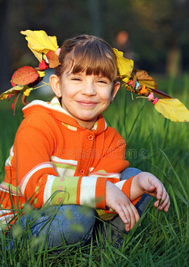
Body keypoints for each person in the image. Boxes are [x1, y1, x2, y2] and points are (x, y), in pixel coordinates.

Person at [0, 33, 170, 249]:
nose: (88, 91)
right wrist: (102, 190)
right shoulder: (38, 124)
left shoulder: (112, 140)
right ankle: (12, 247)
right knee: (80, 217)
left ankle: (102, 246)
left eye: (100, 81)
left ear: (113, 91)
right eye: (77, 79)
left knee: (136, 177)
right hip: (23, 219)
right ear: (57, 85)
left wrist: (135, 186)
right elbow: (36, 191)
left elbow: (104, 204)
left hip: (74, 213)